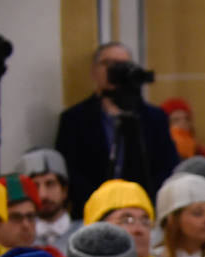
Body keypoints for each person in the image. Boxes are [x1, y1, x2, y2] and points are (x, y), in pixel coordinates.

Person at [54, 42, 180, 217]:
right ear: (94, 70)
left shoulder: (154, 118)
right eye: (109, 64)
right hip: (92, 213)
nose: (117, 70)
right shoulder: (74, 119)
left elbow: (167, 167)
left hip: (142, 212)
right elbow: (69, 173)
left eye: (123, 65)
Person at [15, 149, 81, 252]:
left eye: (50, 184)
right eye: (35, 186)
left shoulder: (85, 236)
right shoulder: (17, 242)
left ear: (64, 190)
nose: (43, 195)